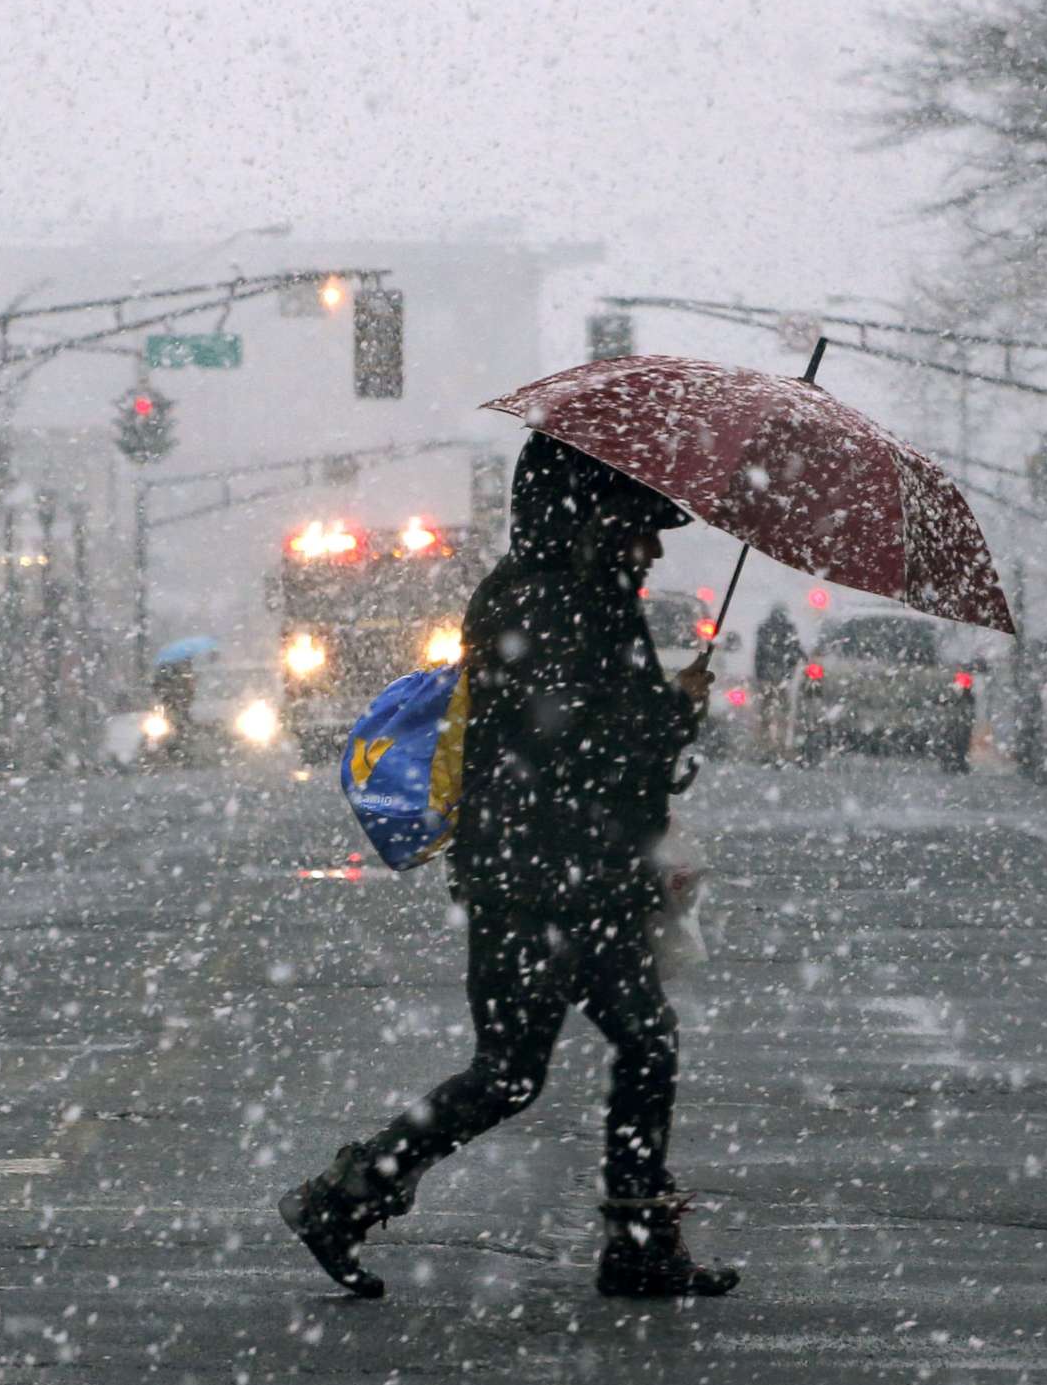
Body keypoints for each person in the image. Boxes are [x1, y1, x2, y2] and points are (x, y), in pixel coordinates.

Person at [281, 433, 740, 1300]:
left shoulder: (580, 597)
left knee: (633, 1042)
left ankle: (635, 1241)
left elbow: (600, 734)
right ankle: (341, 1199)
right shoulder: (550, 603)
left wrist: (661, 721)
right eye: (642, 526)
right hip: (538, 882)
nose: (655, 547)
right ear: (592, 523)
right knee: (519, 1069)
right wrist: (666, 713)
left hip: (576, 874)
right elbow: (570, 743)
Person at [752, 604, 803, 758]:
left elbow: (759, 655)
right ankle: (778, 745)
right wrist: (789, 673)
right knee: (781, 712)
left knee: (768, 711)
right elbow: (794, 652)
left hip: (770, 677)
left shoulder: (766, 629)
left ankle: (767, 744)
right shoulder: (788, 629)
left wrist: (761, 675)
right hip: (779, 677)